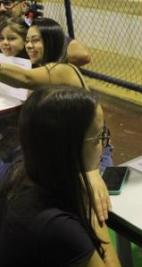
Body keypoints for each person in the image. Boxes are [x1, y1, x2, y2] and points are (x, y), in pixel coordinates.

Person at [0, 17, 113, 223]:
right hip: (62, 152)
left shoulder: (63, 70)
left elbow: (24, 79)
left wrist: (91, 169)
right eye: (28, 41)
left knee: (84, 209)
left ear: (51, 42)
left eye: (36, 40)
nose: (29, 45)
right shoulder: (38, 69)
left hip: (88, 153)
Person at [0, 87, 121, 267]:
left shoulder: (18, 176)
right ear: (70, 150)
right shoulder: (58, 227)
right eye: (99, 137)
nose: (104, 146)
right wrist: (94, 213)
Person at [0, 0, 90, 66]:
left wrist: (31, 50)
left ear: (23, 5)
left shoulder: (34, 28)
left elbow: (81, 55)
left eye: (7, 3)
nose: (1, 8)